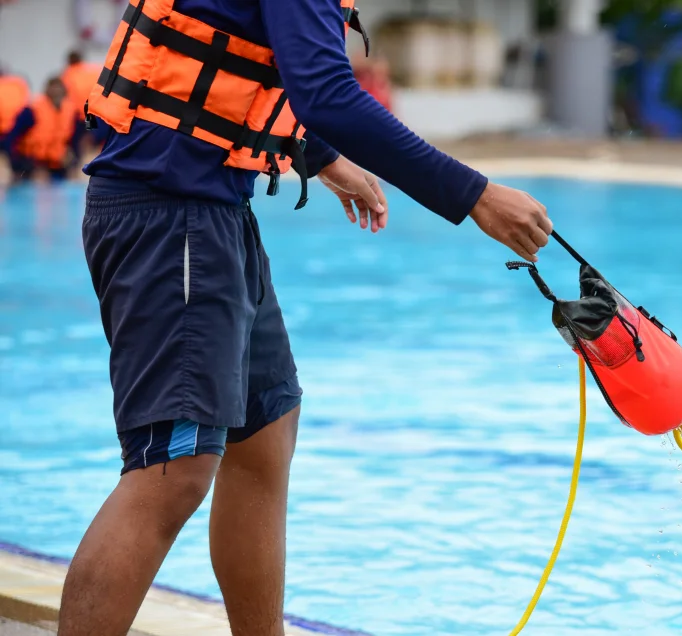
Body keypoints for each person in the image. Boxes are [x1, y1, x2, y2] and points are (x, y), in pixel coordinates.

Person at [60, 1, 552, 635]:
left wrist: (319, 157)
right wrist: (475, 195)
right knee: (171, 471)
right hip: (170, 219)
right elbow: (324, 92)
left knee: (265, 435)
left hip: (212, 215)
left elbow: (263, 66)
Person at [0, 77, 80, 181]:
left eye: (59, 91)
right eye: (54, 91)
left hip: (57, 166)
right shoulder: (31, 111)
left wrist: (74, 161)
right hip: (31, 164)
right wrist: (17, 164)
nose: (56, 94)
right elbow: (11, 137)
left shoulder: (71, 113)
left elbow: (75, 141)